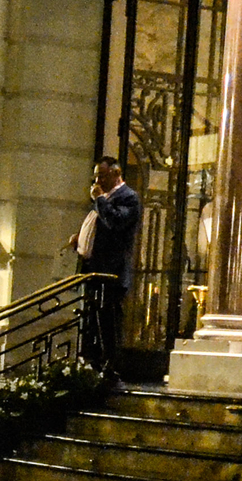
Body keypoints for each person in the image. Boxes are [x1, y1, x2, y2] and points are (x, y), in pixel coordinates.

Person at [72, 157, 140, 379]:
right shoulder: (105, 198)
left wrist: (100, 199)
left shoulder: (128, 197)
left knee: (108, 321)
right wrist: (81, 240)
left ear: (116, 173)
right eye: (96, 176)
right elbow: (99, 228)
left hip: (111, 273)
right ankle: (92, 363)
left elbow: (116, 223)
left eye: (102, 175)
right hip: (93, 270)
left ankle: (110, 365)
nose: (97, 181)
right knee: (91, 319)